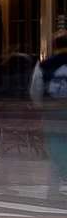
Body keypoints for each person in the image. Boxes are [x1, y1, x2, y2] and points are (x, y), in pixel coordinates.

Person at [36, 35, 67, 204]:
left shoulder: (45, 65)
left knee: (56, 152)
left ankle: (53, 191)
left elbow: (36, 89)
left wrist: (41, 107)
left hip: (53, 113)